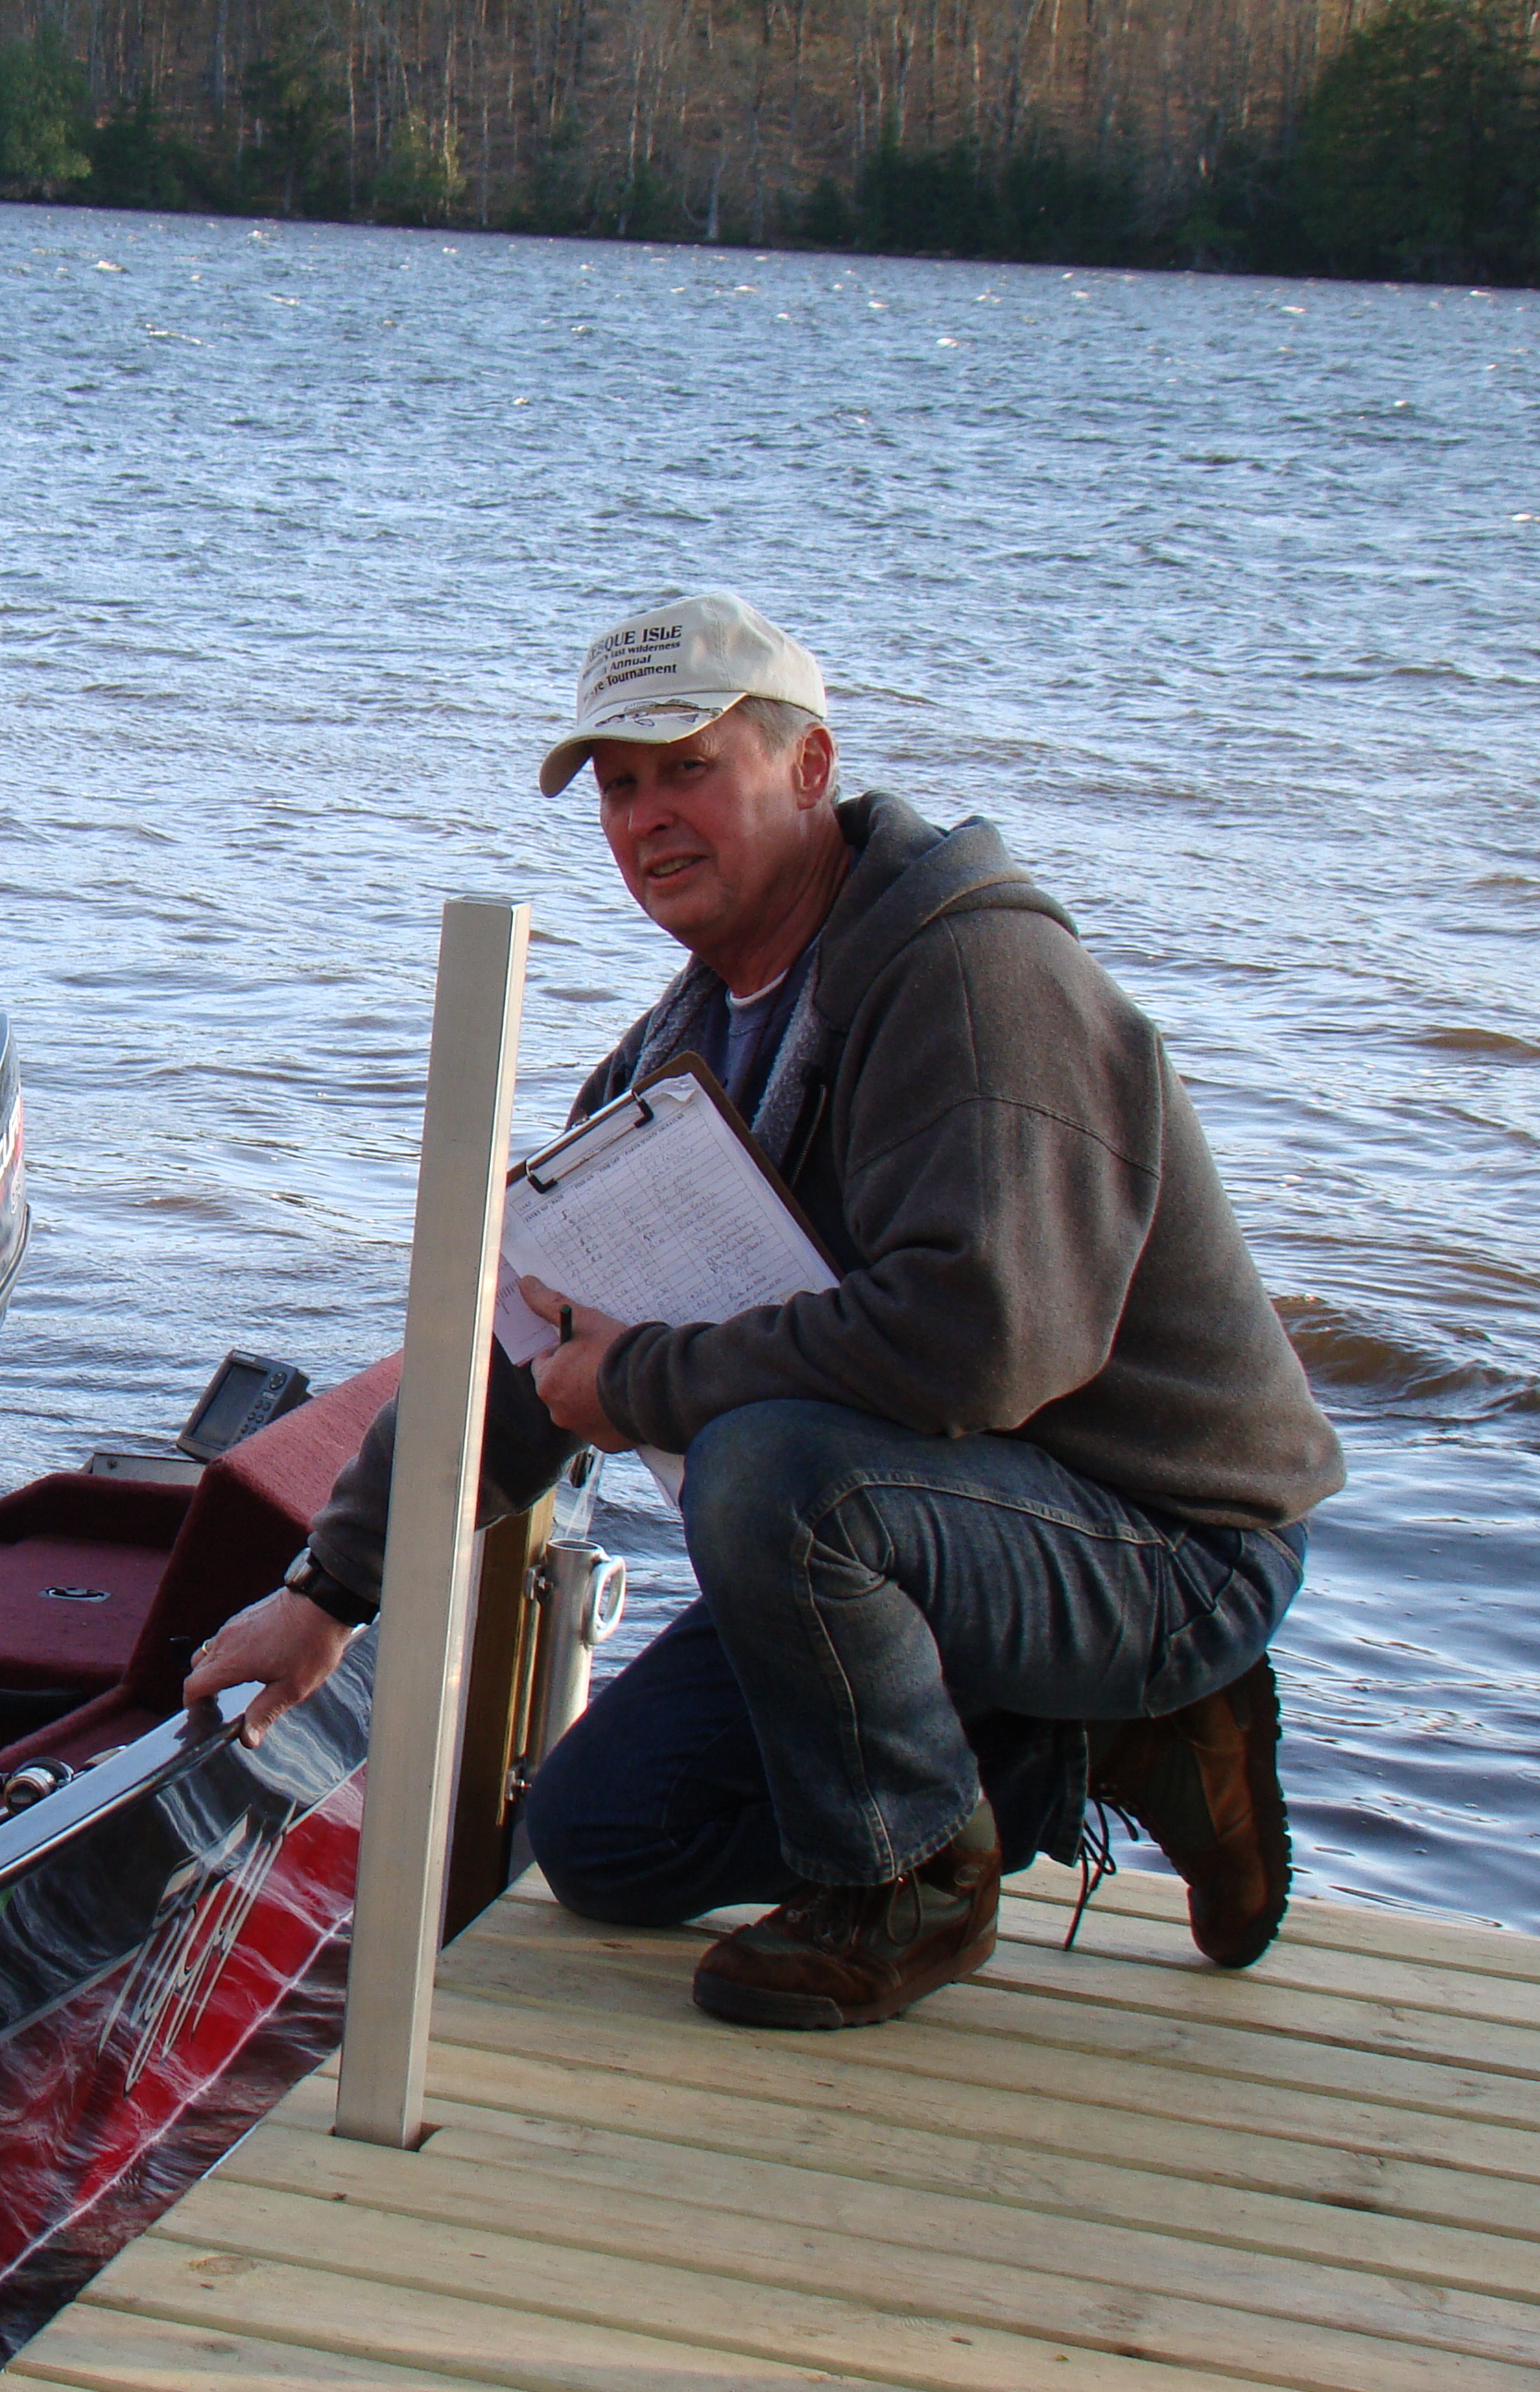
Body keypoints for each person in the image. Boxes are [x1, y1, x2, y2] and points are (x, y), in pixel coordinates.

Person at [185, 592, 1340, 2029]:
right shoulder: (677, 1045)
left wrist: (656, 1382)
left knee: (762, 1458)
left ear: (808, 769)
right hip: (915, 1530)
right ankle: (1089, 1745)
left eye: (689, 768)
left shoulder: (976, 974)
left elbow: (987, 1340)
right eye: (617, 786)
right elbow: (522, 1347)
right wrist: (327, 1594)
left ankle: (917, 1879)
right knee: (607, 1839)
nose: (648, 818)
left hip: (1161, 1541)